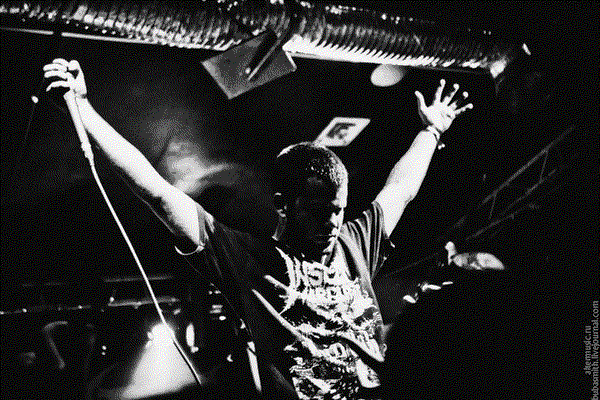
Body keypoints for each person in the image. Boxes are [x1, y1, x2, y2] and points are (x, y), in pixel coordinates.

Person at [43, 59, 473, 400]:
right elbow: (158, 192)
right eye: (318, 212)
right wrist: (85, 111)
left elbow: (400, 190)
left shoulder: (355, 241)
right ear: (283, 206)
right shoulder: (248, 259)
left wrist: (431, 130)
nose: (332, 223)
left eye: (338, 211)